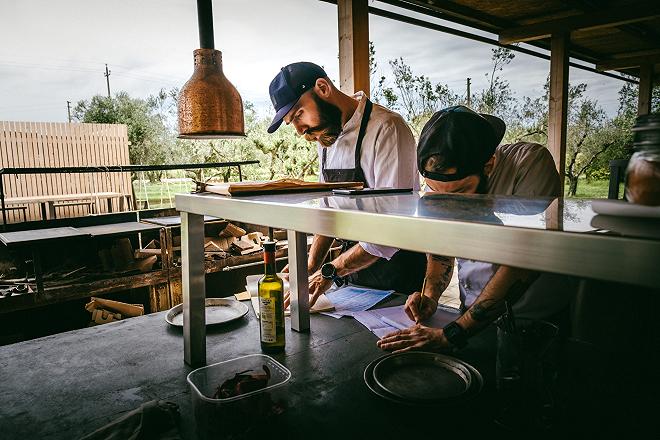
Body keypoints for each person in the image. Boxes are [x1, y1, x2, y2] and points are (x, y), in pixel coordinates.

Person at [377, 105, 575, 352]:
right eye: (436, 193)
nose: (449, 203)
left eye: (460, 192)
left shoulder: (529, 163)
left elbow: (520, 262)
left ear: (489, 164)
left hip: (535, 324)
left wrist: (454, 333)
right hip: (469, 316)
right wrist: (430, 296)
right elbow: (442, 249)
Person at [267, 62, 425, 306]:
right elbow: (329, 211)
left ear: (322, 88)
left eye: (299, 114)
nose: (300, 130)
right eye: (292, 122)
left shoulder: (387, 128)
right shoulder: (327, 139)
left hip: (396, 275)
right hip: (352, 271)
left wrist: (329, 271)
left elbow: (390, 230)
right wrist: (311, 265)